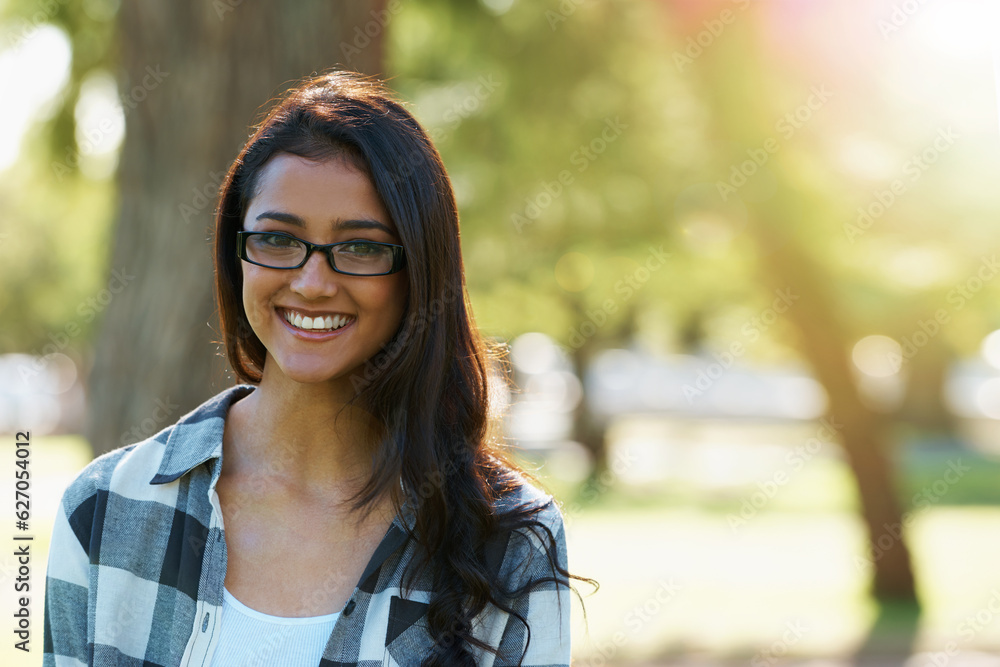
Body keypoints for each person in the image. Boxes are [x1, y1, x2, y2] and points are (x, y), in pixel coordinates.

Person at [43, 70, 586, 666]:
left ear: (419, 273)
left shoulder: (507, 538)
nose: (312, 283)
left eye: (360, 248)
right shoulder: (106, 509)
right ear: (236, 252)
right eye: (278, 239)